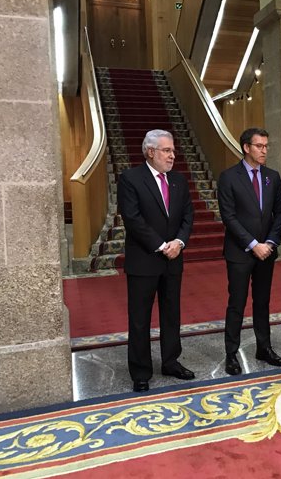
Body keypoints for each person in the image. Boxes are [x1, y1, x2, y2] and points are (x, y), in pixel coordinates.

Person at [116, 129, 195, 393]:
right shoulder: (131, 179)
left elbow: (187, 215)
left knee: (171, 314)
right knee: (140, 318)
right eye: (166, 150)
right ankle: (140, 371)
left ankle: (171, 361)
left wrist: (179, 242)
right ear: (150, 151)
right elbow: (133, 219)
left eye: (173, 150)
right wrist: (162, 246)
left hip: (173, 259)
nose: (173, 155)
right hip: (144, 260)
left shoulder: (179, 181)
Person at [217, 127, 281, 375]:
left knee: (263, 301)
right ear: (246, 147)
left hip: (266, 251)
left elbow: (280, 211)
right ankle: (231, 354)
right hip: (240, 252)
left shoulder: (272, 176)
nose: (264, 150)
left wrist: (269, 242)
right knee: (237, 303)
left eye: (266, 146)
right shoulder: (228, 177)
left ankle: (264, 347)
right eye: (259, 146)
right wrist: (252, 244)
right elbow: (229, 217)